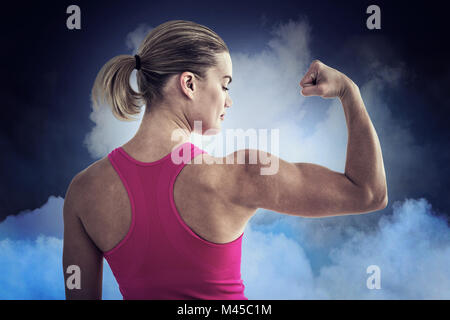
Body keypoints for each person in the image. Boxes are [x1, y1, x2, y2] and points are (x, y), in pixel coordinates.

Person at [62, 20, 387, 300]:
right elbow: (369, 193)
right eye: (224, 84)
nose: (228, 101)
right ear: (189, 84)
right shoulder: (239, 174)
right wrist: (348, 92)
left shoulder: (84, 191)